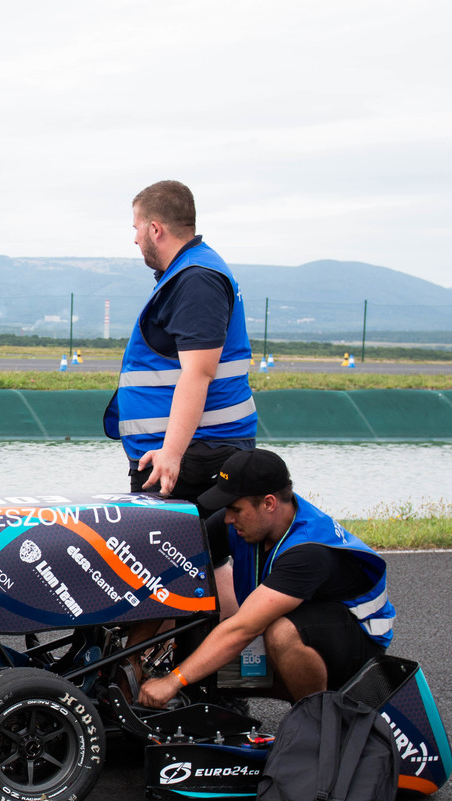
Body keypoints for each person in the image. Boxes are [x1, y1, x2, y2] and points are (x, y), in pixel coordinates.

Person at [136, 448, 395, 709]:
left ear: (269, 503)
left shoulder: (308, 551)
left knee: (280, 634)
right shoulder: (250, 521)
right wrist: (132, 658)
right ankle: (216, 702)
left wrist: (174, 680)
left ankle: (319, 717)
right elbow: (172, 571)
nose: (228, 518)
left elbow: (242, 629)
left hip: (357, 654)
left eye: (236, 509)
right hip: (309, 628)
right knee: (203, 629)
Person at [104, 180, 258, 504]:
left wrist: (172, 453)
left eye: (136, 228)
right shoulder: (190, 272)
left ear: (155, 229)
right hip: (187, 452)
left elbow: (198, 372)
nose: (135, 238)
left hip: (193, 455)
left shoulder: (196, 278)